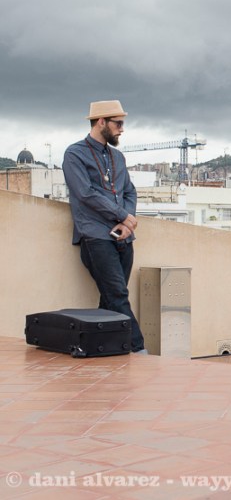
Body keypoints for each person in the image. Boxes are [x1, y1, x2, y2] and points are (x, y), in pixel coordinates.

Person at [62, 100, 146, 353]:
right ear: (101, 122)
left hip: (124, 238)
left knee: (110, 300)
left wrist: (127, 222)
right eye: (118, 123)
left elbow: (129, 191)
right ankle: (139, 350)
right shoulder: (74, 154)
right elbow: (85, 193)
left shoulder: (117, 157)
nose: (122, 129)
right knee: (117, 295)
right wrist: (122, 215)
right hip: (95, 237)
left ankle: (102, 350)